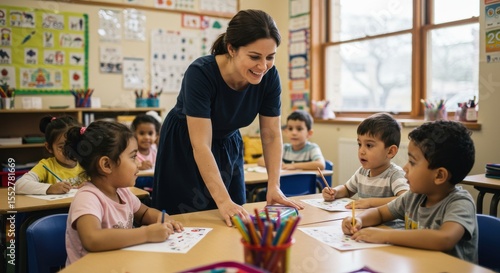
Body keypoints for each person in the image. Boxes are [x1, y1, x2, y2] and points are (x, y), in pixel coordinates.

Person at [152, 9, 303, 226]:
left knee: (234, 219)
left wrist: (274, 185)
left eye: (270, 57)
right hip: (185, 146)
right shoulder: (200, 73)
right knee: (188, 220)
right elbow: (201, 145)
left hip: (228, 145)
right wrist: (222, 200)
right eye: (254, 57)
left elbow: (270, 134)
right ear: (232, 49)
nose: (263, 66)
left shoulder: (270, 77)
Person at [341, 120, 477, 263]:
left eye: (412, 162)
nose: (405, 167)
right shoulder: (413, 197)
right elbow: (380, 213)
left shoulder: (460, 203)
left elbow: (444, 239)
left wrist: (385, 235)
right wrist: (359, 220)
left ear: (439, 176)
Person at [64, 121, 183, 265]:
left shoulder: (123, 193)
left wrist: (163, 219)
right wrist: (146, 234)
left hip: (120, 265)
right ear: (106, 165)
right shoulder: (88, 198)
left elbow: (144, 213)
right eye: (133, 157)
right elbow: (92, 239)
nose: (138, 164)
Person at [322, 113, 408, 208]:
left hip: (387, 223)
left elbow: (405, 199)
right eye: (359, 144)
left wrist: (371, 202)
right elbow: (346, 190)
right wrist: (335, 192)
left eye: (369, 145)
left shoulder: (395, 175)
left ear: (390, 151)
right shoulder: (362, 172)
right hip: (363, 221)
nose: (361, 151)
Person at [15, 115, 85, 195]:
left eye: (74, 144)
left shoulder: (87, 163)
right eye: (61, 147)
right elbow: (19, 185)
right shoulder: (46, 166)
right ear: (49, 147)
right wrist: (50, 188)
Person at [256, 110, 326, 170]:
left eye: (299, 129)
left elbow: (320, 165)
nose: (294, 133)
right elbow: (260, 160)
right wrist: (278, 164)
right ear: (286, 131)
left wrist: (293, 166)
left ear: (309, 133)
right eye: (290, 129)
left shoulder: (312, 148)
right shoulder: (284, 148)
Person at [131, 114, 161, 190]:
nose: (147, 137)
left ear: (156, 136)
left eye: (150, 134)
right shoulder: (132, 153)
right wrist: (139, 167)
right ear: (134, 134)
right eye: (141, 133)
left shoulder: (155, 150)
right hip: (138, 185)